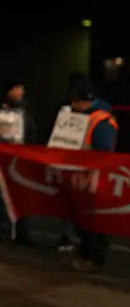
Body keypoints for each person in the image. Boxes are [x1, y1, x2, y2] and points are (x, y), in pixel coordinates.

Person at [67, 79, 118, 272]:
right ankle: (84, 253)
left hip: (95, 176)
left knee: (94, 219)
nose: (73, 106)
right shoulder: (84, 117)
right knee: (82, 218)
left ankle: (94, 258)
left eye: (76, 102)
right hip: (82, 174)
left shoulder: (101, 120)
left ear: (86, 101)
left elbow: (104, 152)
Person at [0, 80, 36, 245]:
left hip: (20, 159)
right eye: (17, 89)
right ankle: (2, 229)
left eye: (22, 89)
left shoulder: (25, 112)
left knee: (22, 195)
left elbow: (31, 134)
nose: (21, 93)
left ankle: (22, 232)